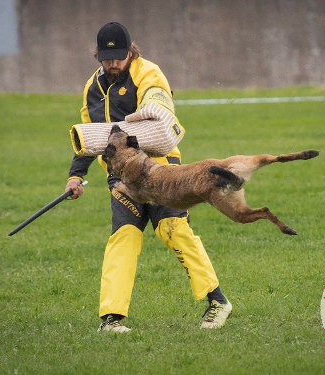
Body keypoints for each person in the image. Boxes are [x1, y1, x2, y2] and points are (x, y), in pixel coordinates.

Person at [65, 22, 232, 333]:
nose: (112, 63)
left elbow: (159, 118)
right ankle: (111, 319)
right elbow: (91, 136)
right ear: (98, 56)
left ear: (131, 51)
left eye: (118, 56)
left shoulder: (149, 75)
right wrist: (75, 176)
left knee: (173, 230)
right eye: (106, 58)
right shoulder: (92, 89)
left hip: (160, 170)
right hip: (122, 180)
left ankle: (218, 301)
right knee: (123, 239)